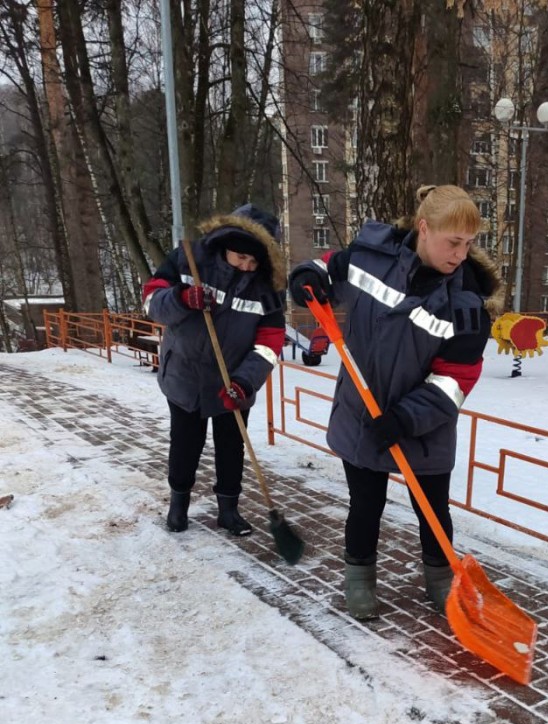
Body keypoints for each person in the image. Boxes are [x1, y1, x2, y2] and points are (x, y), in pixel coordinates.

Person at [288, 184, 500, 619]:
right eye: (453, 242)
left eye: (468, 244)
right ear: (424, 229)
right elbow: (325, 267)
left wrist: (405, 418)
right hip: (361, 412)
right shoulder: (370, 260)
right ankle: (359, 578)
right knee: (366, 505)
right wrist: (307, 277)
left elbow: (456, 380)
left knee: (433, 509)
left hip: (425, 425)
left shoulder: (467, 305)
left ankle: (440, 578)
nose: (460, 254)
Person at [142, 203, 286, 535]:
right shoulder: (188, 260)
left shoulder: (268, 287)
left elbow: (270, 342)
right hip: (186, 375)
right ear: (225, 245)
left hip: (232, 380)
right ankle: (178, 504)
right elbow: (151, 302)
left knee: (231, 447)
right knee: (185, 443)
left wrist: (245, 383)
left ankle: (228, 510)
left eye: (254, 262)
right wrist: (181, 299)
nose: (247, 267)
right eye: (240, 258)